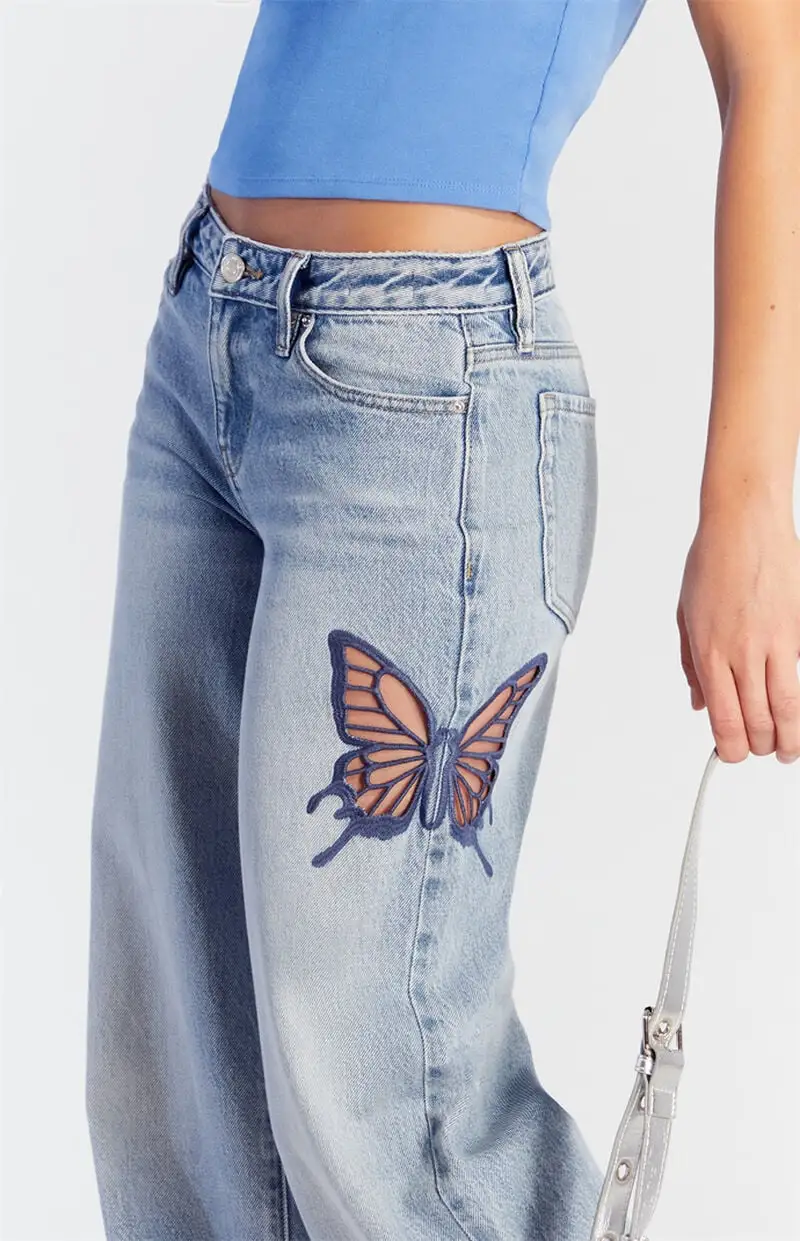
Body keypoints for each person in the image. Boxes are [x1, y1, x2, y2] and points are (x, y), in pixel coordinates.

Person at [84, 1, 800, 1238]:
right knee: (183, 1062)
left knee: (384, 1096)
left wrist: (746, 505)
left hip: (425, 384)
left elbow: (769, 62)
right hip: (209, 324)